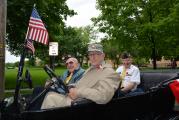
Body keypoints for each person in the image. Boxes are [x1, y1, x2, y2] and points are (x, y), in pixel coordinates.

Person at [41, 43, 120, 109]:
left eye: (97, 54)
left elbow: (103, 96)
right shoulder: (90, 70)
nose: (93, 57)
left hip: (83, 105)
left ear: (103, 56)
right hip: (75, 98)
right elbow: (82, 83)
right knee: (49, 94)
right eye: (91, 54)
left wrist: (79, 92)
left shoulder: (110, 73)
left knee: (50, 98)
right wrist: (71, 86)